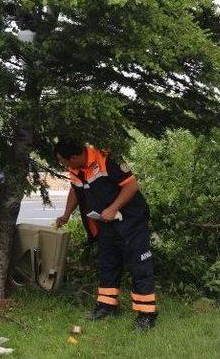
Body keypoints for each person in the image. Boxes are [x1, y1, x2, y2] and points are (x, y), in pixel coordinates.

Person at [54, 138, 158, 330]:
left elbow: (131, 186)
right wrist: (67, 214)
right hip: (106, 223)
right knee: (107, 263)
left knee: (139, 264)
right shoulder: (76, 168)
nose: (62, 164)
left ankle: (147, 315)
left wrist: (113, 208)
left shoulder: (106, 159)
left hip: (131, 220)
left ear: (76, 157)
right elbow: (76, 190)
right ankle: (107, 306)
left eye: (63, 160)